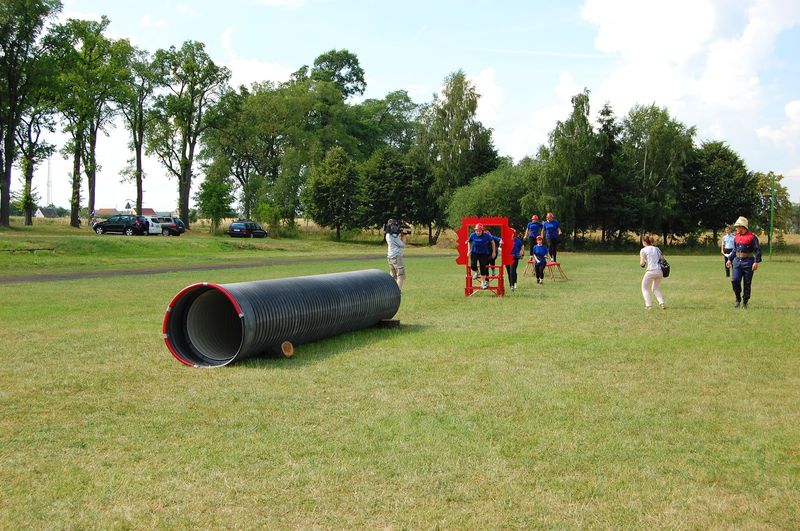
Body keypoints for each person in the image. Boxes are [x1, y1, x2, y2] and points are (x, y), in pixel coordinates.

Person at [725, 216, 761, 308]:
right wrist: (729, 259)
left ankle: (745, 302)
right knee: (734, 280)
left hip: (748, 262)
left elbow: (757, 250)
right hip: (737, 262)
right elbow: (734, 250)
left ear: (742, 227)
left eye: (737, 226)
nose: (736, 228)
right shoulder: (736, 237)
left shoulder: (752, 237)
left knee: (747, 283)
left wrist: (756, 262)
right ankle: (738, 299)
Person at [639, 235, 666, 310]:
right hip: (660, 271)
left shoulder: (643, 250)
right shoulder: (657, 249)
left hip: (650, 271)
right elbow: (662, 259)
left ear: (644, 242)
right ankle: (661, 303)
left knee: (644, 288)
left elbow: (642, 264)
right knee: (655, 288)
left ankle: (648, 305)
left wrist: (644, 261)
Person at [467, 223, 496, 290]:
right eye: (476, 231)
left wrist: (494, 252)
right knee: (473, 266)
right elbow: (469, 242)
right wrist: (469, 250)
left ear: (482, 231)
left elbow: (492, 242)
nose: (478, 232)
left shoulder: (486, 235)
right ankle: (477, 272)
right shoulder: (473, 235)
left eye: (479, 231)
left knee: (483, 267)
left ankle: (483, 283)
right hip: (474, 252)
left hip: (483, 253)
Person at [385, 219, 407, 290]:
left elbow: (396, 241)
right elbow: (402, 245)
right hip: (396, 257)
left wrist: (400, 234)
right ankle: (398, 292)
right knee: (400, 275)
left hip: (390, 257)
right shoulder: (393, 236)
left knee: (393, 275)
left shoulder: (388, 235)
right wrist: (404, 236)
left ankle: (393, 292)